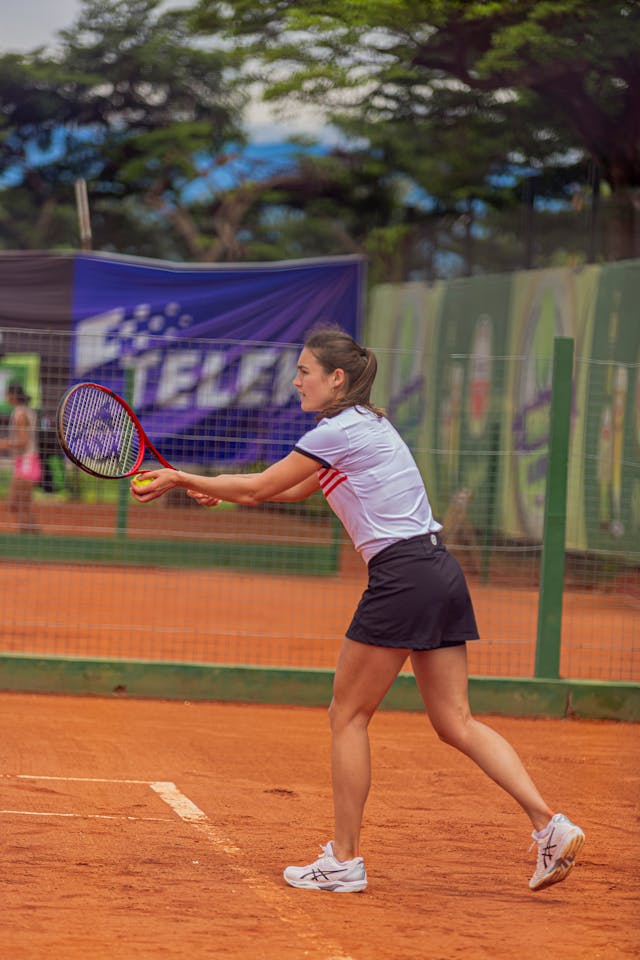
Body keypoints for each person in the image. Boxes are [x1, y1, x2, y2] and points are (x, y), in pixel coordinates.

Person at [130, 324, 585, 894]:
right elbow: (292, 489)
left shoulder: (339, 430)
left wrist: (179, 477)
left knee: (348, 715)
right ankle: (550, 825)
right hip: (437, 569)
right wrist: (212, 486)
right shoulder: (368, 424)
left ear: (335, 377)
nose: (296, 382)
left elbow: (260, 489)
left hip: (401, 578)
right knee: (455, 722)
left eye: (304, 372)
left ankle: (344, 860)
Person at [0, 382, 41, 533]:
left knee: (17, 504)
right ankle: (31, 534)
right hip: (25, 461)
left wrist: (4, 444)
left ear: (12, 395)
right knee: (20, 504)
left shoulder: (20, 414)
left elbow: (24, 441)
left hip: (27, 461)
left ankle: (29, 534)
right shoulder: (25, 411)